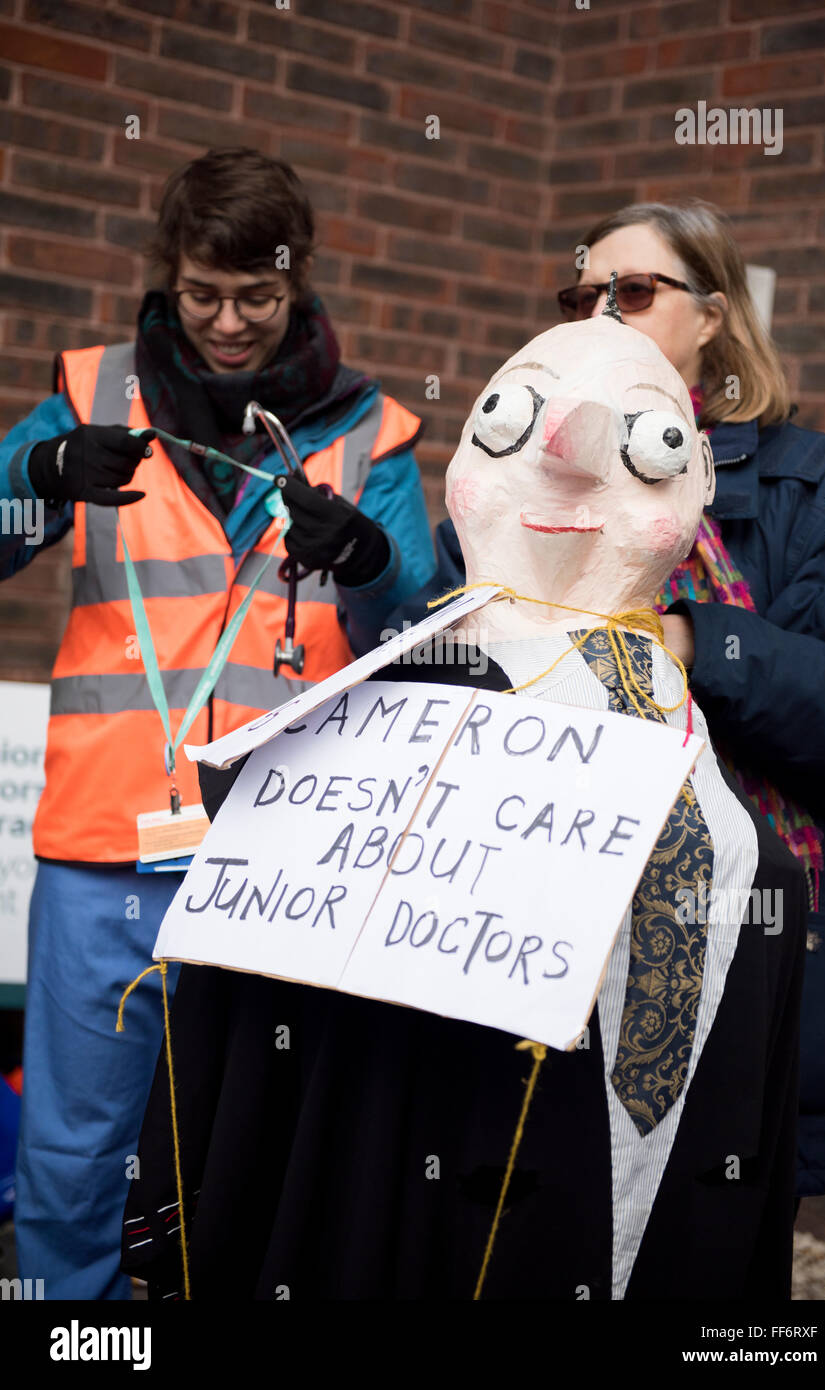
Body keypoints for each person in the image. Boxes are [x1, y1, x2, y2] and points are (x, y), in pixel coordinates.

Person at [120, 313, 806, 1300]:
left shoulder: (704, 789)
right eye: (505, 420)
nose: (566, 456)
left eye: (646, 439)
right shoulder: (363, 733)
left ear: (699, 476)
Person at [0, 146, 435, 1299]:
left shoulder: (371, 433)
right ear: (169, 274)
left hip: (286, 856)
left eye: (259, 297)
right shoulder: (93, 391)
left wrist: (370, 556)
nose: (230, 322)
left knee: (266, 1152)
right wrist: (41, 467)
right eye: (203, 295)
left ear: (300, 285)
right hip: (105, 853)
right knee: (74, 1150)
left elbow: (425, 627)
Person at [396, 198, 825, 1201]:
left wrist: (697, 640)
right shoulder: (509, 480)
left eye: (636, 291)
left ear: (715, 317)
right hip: (533, 947)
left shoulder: (805, 495)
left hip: (745, 960)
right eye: (581, 294)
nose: (600, 313)